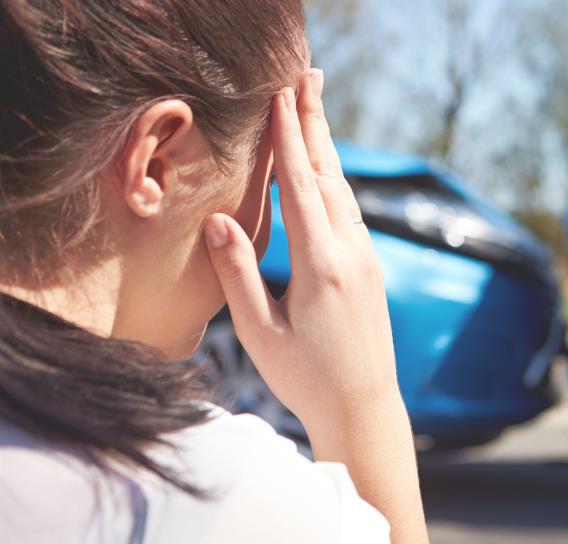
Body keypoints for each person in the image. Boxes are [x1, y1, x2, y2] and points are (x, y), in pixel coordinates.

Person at [0, 1, 429, 542]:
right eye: (271, 179)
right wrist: (364, 408)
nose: (265, 233)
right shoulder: (212, 495)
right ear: (157, 163)